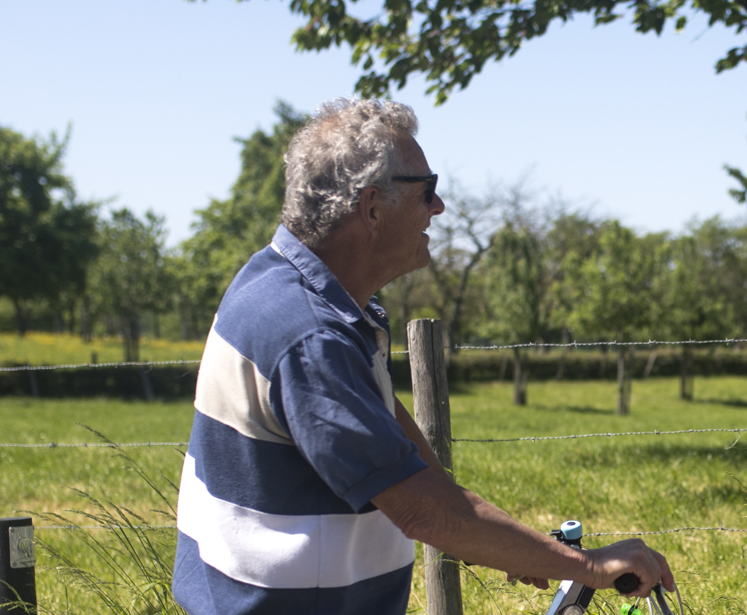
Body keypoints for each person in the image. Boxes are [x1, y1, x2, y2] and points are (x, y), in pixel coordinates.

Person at [172, 98, 674, 614]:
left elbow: (381, 425)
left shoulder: (278, 282)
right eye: (426, 191)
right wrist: (588, 566)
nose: (439, 208)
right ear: (371, 208)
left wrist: (507, 546)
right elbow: (421, 511)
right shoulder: (311, 334)